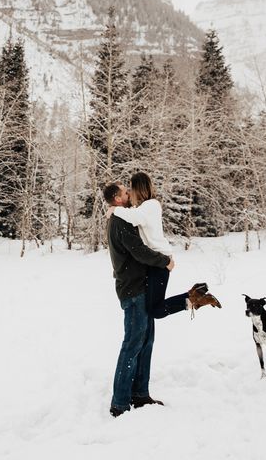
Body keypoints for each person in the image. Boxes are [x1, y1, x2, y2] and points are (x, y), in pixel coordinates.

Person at [107, 172, 222, 318]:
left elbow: (134, 217)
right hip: (154, 261)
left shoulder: (151, 205)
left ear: (139, 189)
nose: (129, 193)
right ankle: (195, 295)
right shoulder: (142, 208)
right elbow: (132, 215)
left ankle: (196, 298)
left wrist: (115, 209)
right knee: (152, 307)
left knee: (156, 310)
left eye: (131, 189)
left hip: (159, 261)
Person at [103, 180, 173, 417]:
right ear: (118, 199)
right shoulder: (120, 221)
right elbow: (139, 252)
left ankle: (140, 394)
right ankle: (120, 402)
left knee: (146, 342)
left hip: (140, 288)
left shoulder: (124, 216)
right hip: (133, 291)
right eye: (125, 191)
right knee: (132, 344)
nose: (129, 193)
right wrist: (165, 261)